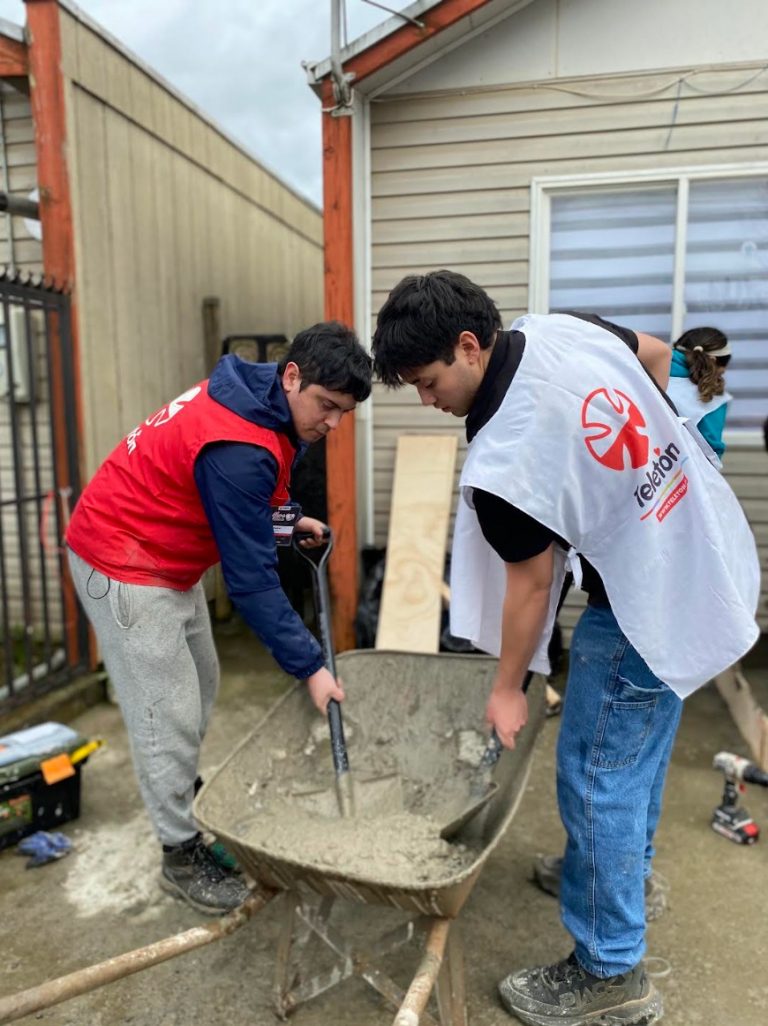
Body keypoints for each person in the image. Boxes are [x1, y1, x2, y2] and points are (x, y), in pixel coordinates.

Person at [372, 271, 759, 1026]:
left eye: (427, 382)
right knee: (639, 750)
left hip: (643, 601)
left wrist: (508, 687)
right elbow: (656, 356)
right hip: (702, 548)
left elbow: (530, 585)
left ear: (467, 345)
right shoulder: (558, 328)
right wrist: (650, 468)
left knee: (592, 775)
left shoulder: (504, 461)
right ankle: (617, 876)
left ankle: (610, 970)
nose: (427, 400)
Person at [66, 322, 372, 915]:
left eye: (344, 412)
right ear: (292, 376)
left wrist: (286, 522)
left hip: (164, 553)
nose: (332, 423)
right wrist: (310, 666)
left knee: (201, 684)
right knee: (166, 712)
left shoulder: (265, 397)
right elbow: (252, 582)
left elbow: (251, 501)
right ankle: (179, 850)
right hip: (122, 558)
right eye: (327, 407)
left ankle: (179, 791)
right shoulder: (239, 445)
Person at [666, 326, 732, 457]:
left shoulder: (644, 369)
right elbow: (711, 454)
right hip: (673, 471)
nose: (724, 370)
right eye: (726, 361)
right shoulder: (712, 397)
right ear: (713, 361)